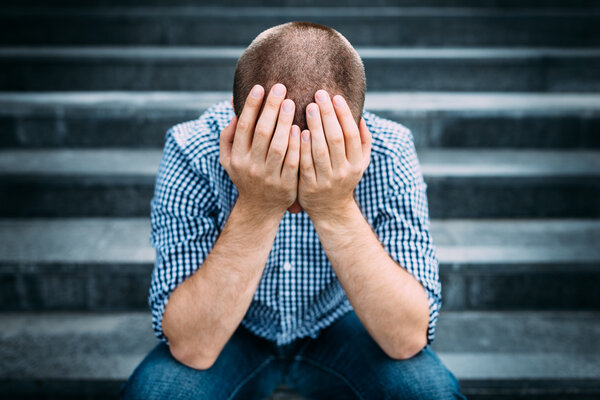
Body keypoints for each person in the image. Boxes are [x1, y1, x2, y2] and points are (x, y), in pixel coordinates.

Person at [121, 21, 464, 399]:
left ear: (355, 129)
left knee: (428, 391)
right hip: (235, 332)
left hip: (340, 325)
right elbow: (191, 346)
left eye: (320, 163)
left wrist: (334, 206)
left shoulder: (388, 149)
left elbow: (408, 339)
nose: (291, 189)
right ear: (238, 129)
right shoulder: (193, 148)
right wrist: (257, 204)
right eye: (274, 160)